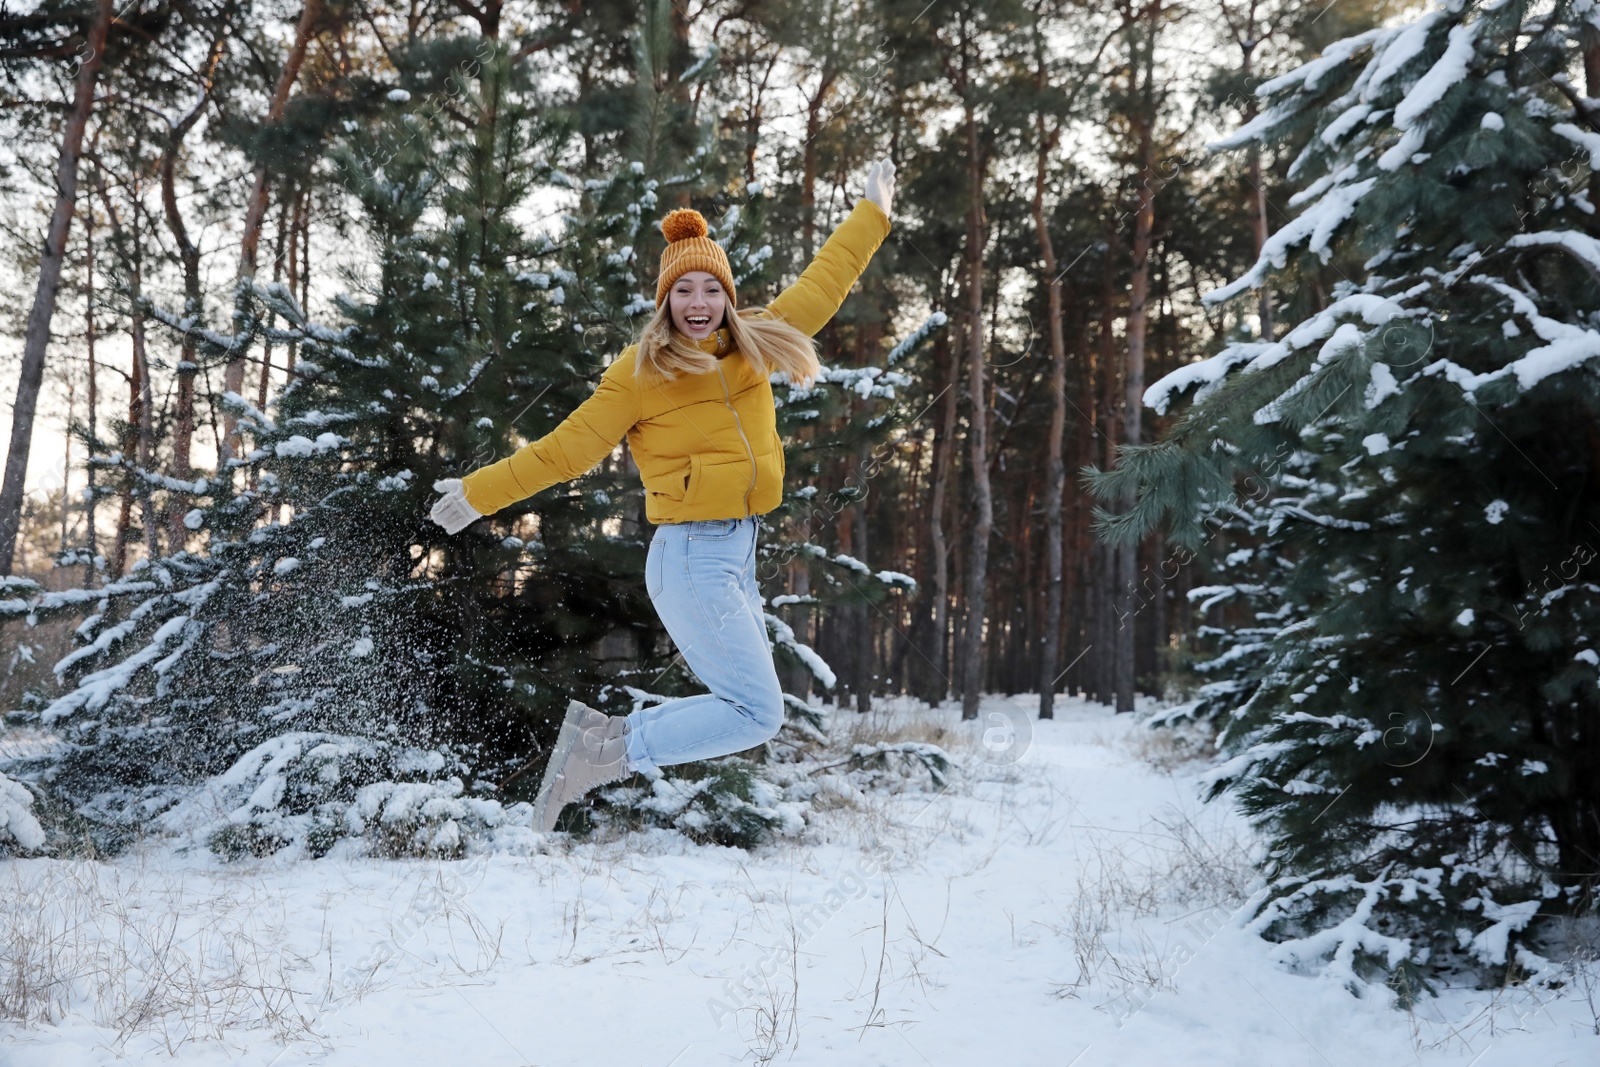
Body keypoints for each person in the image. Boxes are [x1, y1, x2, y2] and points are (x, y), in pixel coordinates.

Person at [429, 160, 896, 832]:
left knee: (743, 704)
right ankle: (602, 755)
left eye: (711, 288)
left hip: (735, 552)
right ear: (665, 300)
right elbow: (566, 449)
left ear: (727, 296)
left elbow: (827, 280)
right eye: (684, 291)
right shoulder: (640, 372)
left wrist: (872, 214)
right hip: (689, 555)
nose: (699, 303)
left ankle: (596, 746)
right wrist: (478, 493)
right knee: (757, 711)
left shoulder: (755, 343)